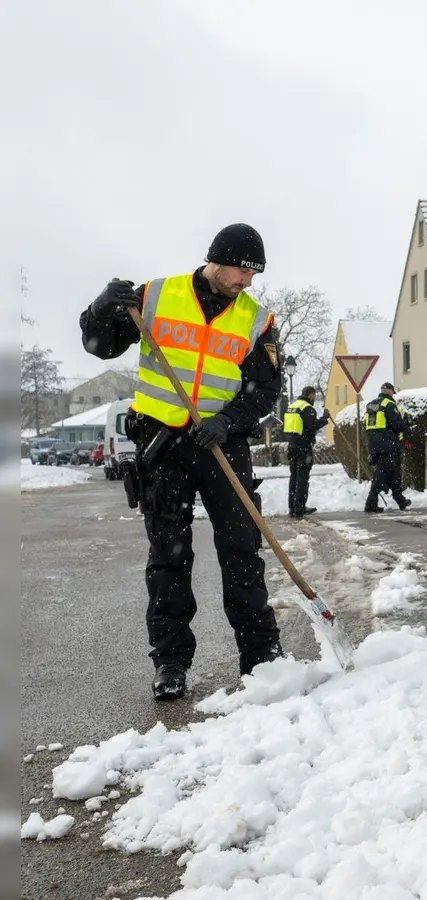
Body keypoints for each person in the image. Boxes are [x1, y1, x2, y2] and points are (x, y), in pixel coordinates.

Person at [80, 223, 286, 701]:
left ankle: (260, 654)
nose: (247, 282)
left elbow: (267, 390)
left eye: (255, 274)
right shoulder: (154, 297)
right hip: (162, 444)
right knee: (169, 558)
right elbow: (99, 344)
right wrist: (101, 306)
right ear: (216, 259)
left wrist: (229, 420)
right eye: (242, 271)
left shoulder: (256, 320)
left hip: (220, 444)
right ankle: (170, 662)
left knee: (241, 549)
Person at [364, 382, 411, 513]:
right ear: (389, 391)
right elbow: (396, 423)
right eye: (392, 392)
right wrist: (407, 429)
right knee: (381, 474)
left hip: (374, 443)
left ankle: (400, 500)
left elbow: (367, 424)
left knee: (393, 473)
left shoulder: (372, 404)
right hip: (387, 444)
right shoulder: (389, 404)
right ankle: (370, 503)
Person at [284, 385, 330, 518]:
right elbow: (312, 426)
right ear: (311, 395)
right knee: (302, 478)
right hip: (303, 447)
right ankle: (299, 508)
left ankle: (292, 507)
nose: (314, 398)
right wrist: (324, 418)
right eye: (314, 396)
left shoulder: (292, 407)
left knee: (293, 477)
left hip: (292, 446)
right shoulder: (307, 408)